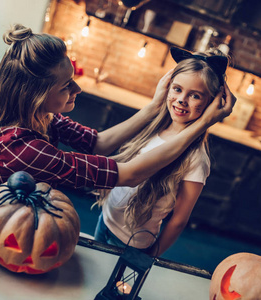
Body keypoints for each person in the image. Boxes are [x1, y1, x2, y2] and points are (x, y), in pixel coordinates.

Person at [0, 24, 236, 208]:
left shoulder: (41, 116)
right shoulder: (24, 148)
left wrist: (154, 106)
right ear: (35, 95)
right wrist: (204, 122)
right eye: (66, 85)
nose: (77, 88)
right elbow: (130, 174)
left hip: (14, 214)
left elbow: (98, 143)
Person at [94, 47, 229, 256]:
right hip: (105, 220)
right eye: (177, 89)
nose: (182, 100)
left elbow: (179, 220)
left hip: (130, 244)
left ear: (211, 104)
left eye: (195, 96)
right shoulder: (153, 126)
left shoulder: (196, 158)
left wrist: (152, 254)